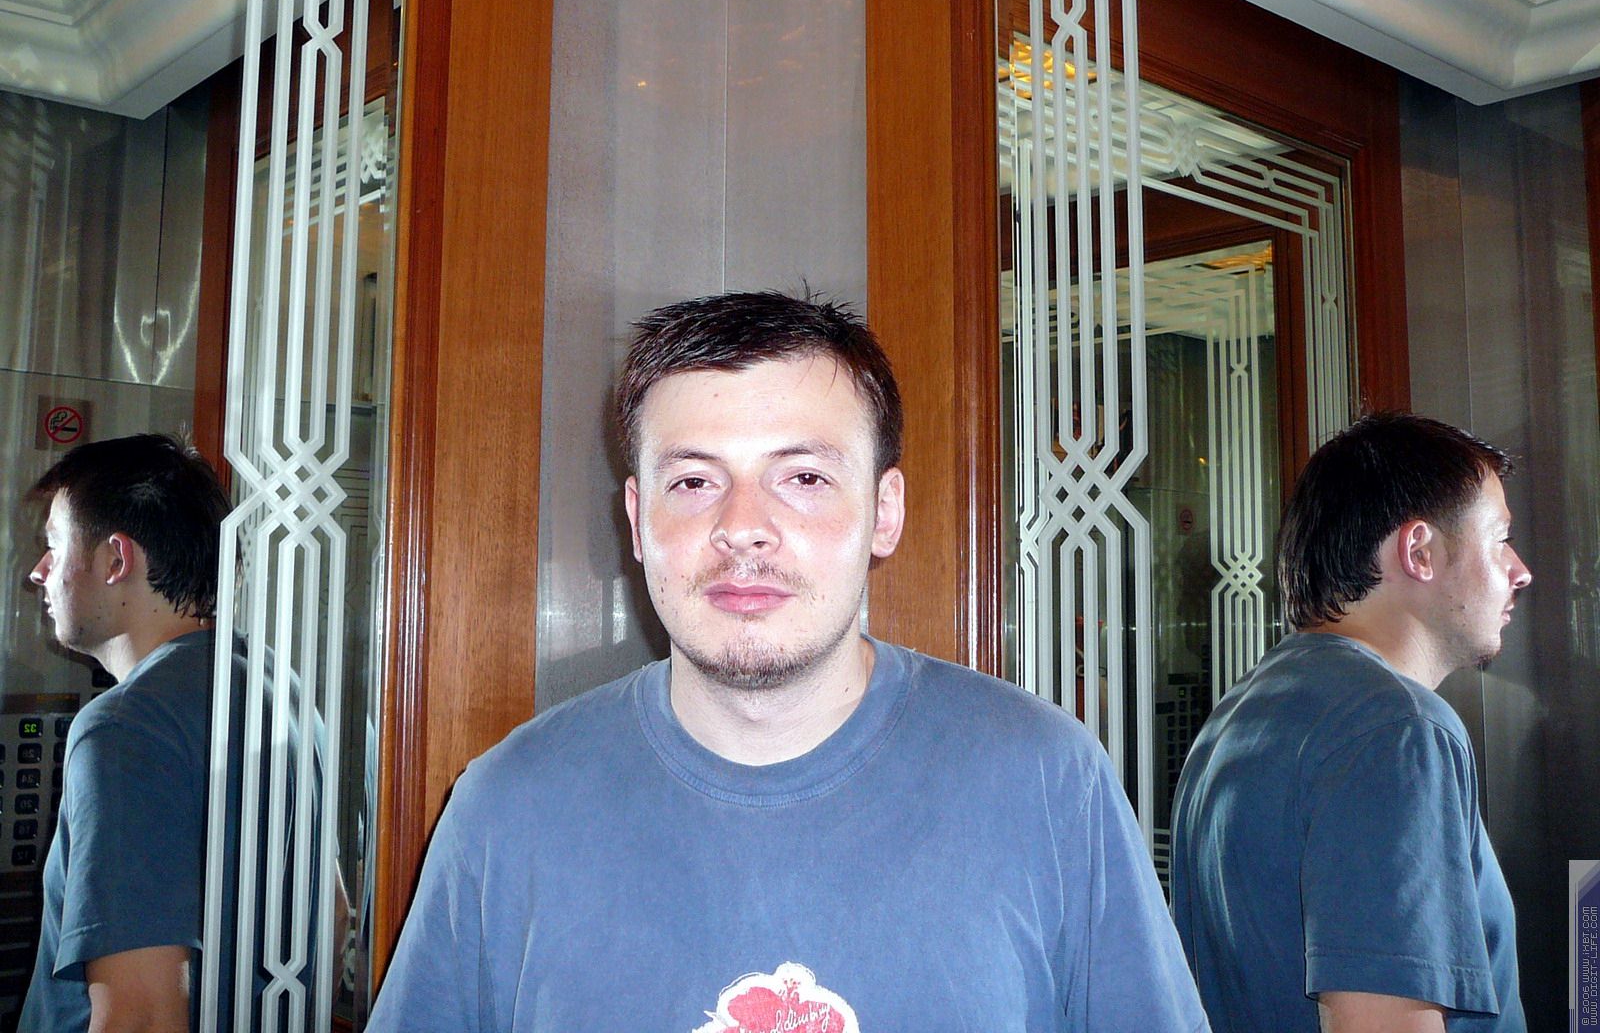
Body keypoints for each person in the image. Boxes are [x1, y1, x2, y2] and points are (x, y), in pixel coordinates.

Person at [369, 291, 1207, 1030]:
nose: (742, 527)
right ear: (637, 517)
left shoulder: (1046, 782)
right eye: (693, 482)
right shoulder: (506, 809)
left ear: (884, 511)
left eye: (802, 478)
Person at [1169, 413, 1530, 1033]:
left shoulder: (1239, 717)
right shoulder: (1397, 730)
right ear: (1419, 551)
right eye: (1499, 538)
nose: (1519, 569)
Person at [20, 433, 322, 1033]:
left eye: (54, 545)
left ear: (116, 560)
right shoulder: (278, 687)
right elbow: (331, 916)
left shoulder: (123, 728)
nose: (39, 571)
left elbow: (140, 1018)